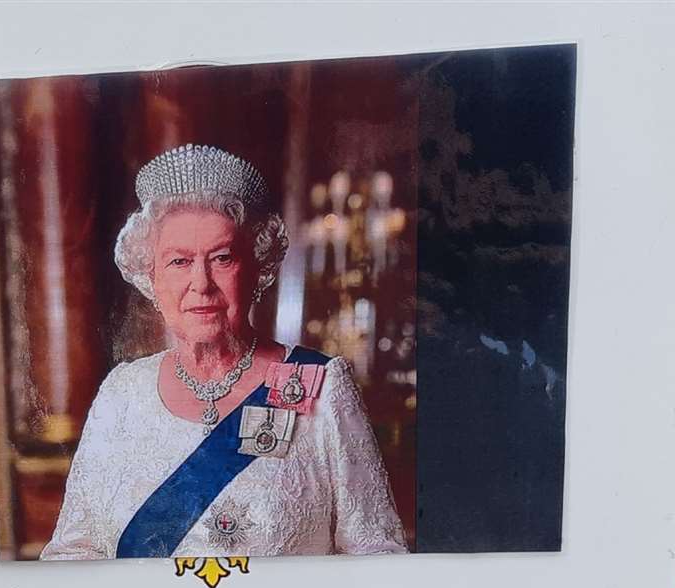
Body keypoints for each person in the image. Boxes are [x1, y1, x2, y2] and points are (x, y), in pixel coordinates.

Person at [40, 144, 406, 560]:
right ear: (151, 278)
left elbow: (379, 560)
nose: (201, 283)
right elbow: (72, 555)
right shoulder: (120, 394)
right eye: (179, 262)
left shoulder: (318, 384)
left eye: (222, 258)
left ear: (257, 269)